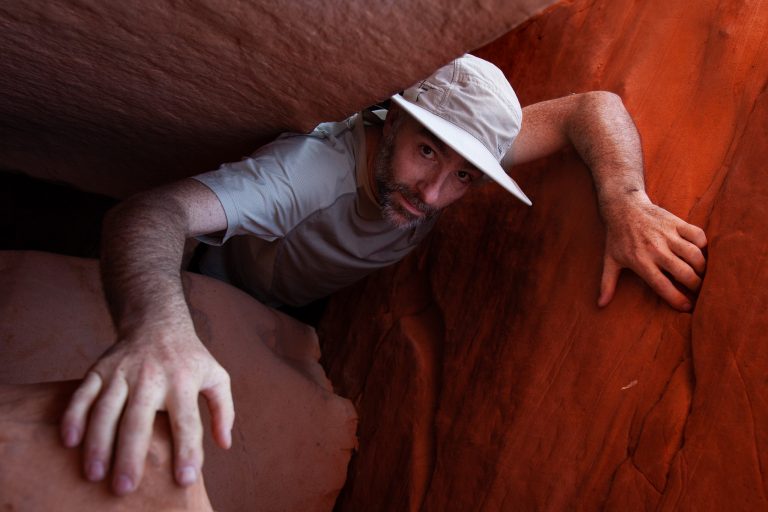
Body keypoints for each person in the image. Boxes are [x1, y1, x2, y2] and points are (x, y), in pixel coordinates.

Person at [59, 54, 707, 496]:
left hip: (305, 308)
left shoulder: (464, 142)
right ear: (390, 119)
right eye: (426, 152)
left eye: (464, 177)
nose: (433, 193)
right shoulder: (309, 172)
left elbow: (589, 108)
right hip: (224, 289)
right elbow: (153, 211)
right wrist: (157, 329)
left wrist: (625, 200)